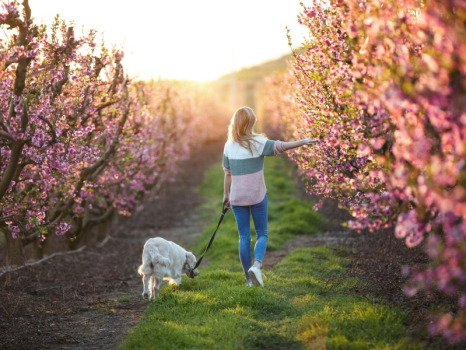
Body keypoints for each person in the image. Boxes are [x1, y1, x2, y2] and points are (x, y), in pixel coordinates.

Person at [222, 107, 318, 287]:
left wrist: (226, 195)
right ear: (250, 123)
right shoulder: (258, 142)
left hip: (236, 197)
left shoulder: (228, 145)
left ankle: (248, 279)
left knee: (243, 237)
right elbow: (280, 146)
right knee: (262, 234)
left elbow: (227, 173)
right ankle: (257, 266)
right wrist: (303, 141)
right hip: (257, 195)